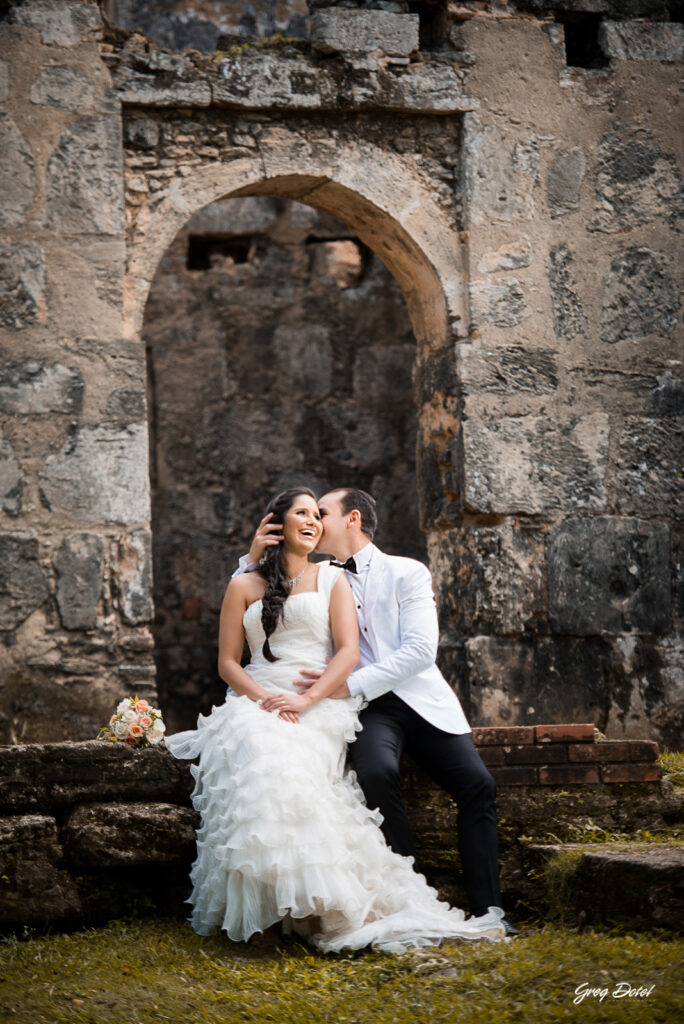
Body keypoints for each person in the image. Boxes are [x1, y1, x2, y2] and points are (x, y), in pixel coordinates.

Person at [166, 487, 505, 952]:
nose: (315, 522)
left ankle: (486, 907)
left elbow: (418, 651)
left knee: (478, 784)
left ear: (351, 520)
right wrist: (250, 560)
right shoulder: (265, 577)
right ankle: (297, 901)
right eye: (303, 514)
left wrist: (330, 691)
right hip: (358, 706)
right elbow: (239, 633)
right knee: (374, 772)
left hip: (397, 697)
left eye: (320, 513)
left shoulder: (402, 572)